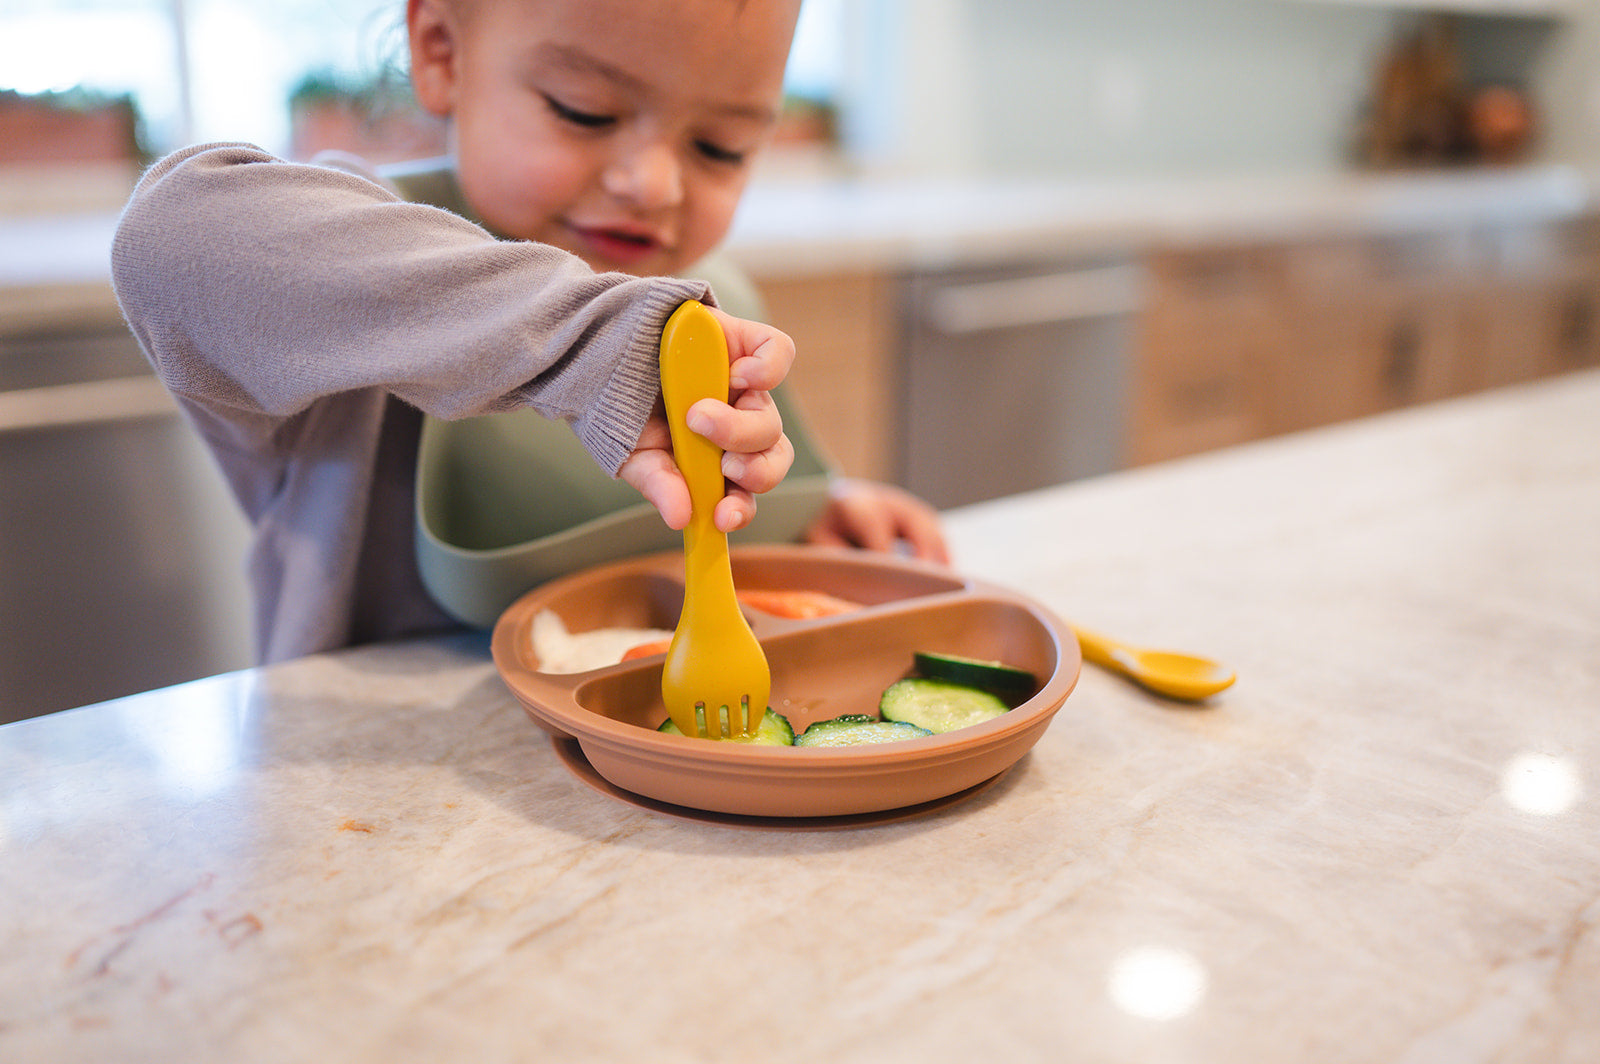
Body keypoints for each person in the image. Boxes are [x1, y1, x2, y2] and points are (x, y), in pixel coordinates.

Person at [112, 0, 946, 665]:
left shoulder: (707, 303)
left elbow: (723, 517)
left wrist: (818, 513)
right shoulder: (349, 270)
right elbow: (171, 236)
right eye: (585, 112)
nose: (654, 184)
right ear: (442, 52)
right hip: (376, 798)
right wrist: (591, 346)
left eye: (719, 147)